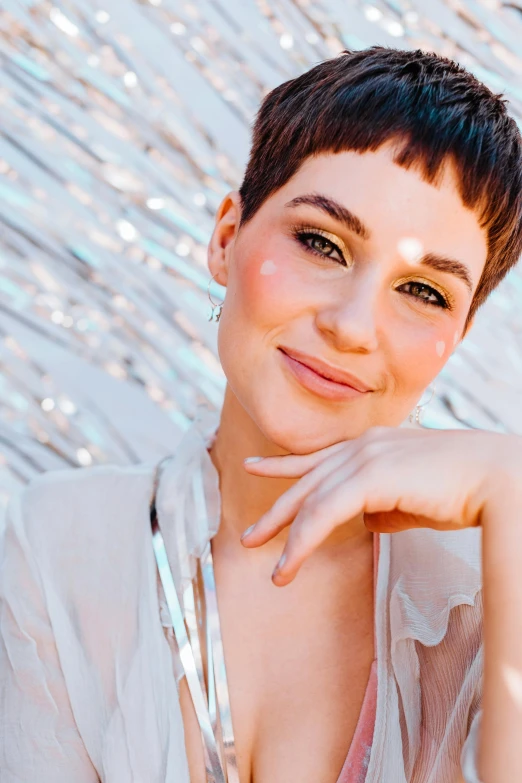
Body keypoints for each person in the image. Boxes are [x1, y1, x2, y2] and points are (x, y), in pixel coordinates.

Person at [1, 45, 522, 783]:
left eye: (424, 293)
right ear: (225, 239)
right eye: (322, 243)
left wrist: (512, 488)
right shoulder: (64, 543)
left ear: (456, 338)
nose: (352, 325)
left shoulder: (486, 603)